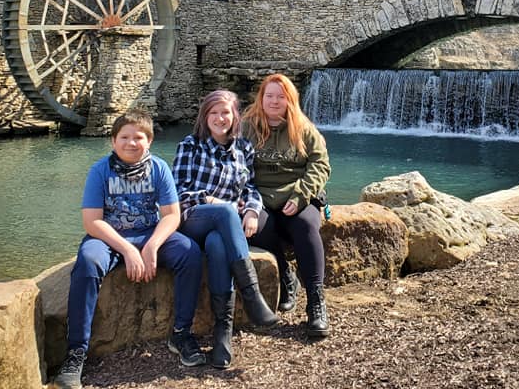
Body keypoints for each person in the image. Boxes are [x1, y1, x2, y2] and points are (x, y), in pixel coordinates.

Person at [52, 109, 206, 389]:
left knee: (190, 253)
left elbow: (171, 215)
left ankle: (182, 333)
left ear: (149, 141)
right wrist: (128, 250)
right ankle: (76, 352)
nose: (131, 143)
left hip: (150, 233)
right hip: (109, 237)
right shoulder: (100, 171)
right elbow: (92, 221)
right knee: (88, 262)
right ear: (113, 141)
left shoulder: (159, 168)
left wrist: (152, 245)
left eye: (139, 137)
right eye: (124, 137)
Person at [172, 89, 280, 369]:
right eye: (214, 112)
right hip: (192, 219)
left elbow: (251, 187)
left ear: (235, 117)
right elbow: (178, 192)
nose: (220, 118)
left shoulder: (243, 148)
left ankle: (223, 334)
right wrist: (211, 200)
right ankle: (252, 295)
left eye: (226, 112)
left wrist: (253, 211)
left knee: (219, 245)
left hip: (225, 225)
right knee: (222, 211)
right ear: (205, 116)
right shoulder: (190, 145)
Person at [242, 73, 331, 339]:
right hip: (260, 196)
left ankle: (316, 302)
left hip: (296, 194)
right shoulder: (247, 126)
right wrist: (247, 202)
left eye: (280, 97)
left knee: (305, 226)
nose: (274, 101)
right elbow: (237, 166)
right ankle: (284, 273)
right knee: (256, 228)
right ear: (261, 98)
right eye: (269, 96)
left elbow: (320, 165)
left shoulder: (303, 128)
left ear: (290, 100)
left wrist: (302, 195)